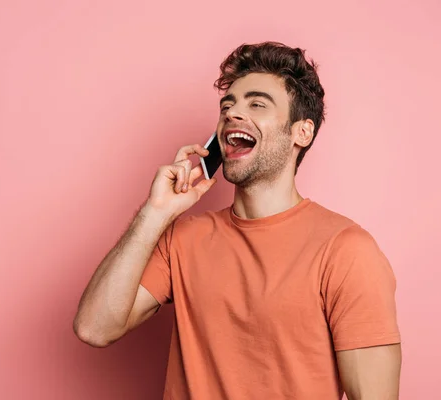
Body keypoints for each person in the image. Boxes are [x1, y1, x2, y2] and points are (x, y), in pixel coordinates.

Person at [73, 41, 401, 399]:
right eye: (227, 106)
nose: (232, 114)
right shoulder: (183, 238)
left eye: (257, 104)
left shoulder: (346, 251)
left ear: (301, 132)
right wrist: (155, 213)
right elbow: (94, 328)